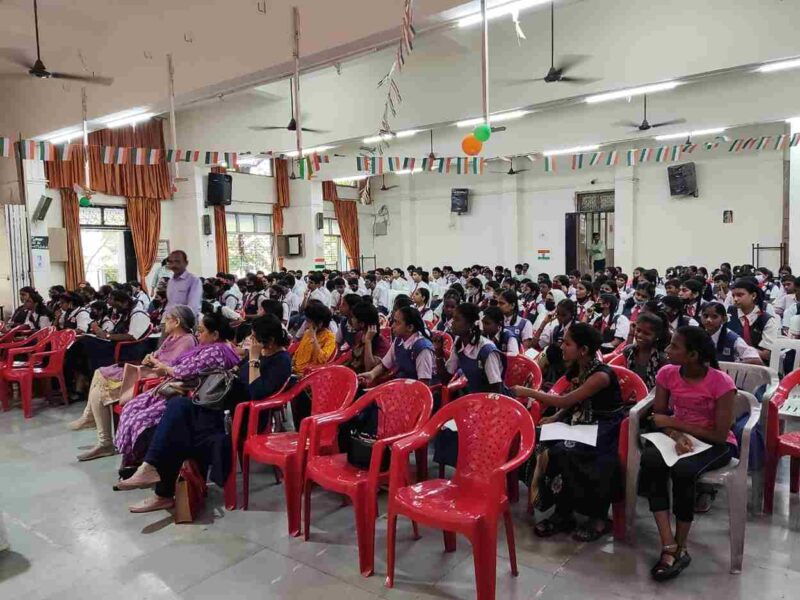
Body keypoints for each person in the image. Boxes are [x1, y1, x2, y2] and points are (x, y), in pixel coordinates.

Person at [116, 314, 293, 512]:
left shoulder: (281, 360)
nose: (249, 341)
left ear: (267, 341)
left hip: (240, 419)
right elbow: (234, 372)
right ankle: (150, 470)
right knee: (177, 408)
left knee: (176, 427)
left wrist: (253, 359)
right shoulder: (261, 354)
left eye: (253, 337)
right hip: (217, 409)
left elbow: (256, 393)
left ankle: (159, 487)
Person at [637, 326, 737, 581]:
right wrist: (676, 436)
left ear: (692, 355)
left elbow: (718, 434)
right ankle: (668, 543)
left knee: (684, 471)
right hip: (679, 438)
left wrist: (678, 427)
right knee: (651, 461)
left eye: (674, 347)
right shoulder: (667, 373)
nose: (668, 350)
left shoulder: (721, 383)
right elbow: (659, 418)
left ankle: (681, 546)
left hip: (716, 443)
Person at [513, 323, 624, 541]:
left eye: (567, 343)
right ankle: (562, 511)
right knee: (537, 439)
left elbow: (565, 399)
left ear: (583, 350)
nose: (562, 346)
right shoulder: (577, 367)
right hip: (580, 423)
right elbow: (573, 402)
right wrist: (556, 417)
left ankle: (596, 516)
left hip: (603, 428)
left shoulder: (600, 375)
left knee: (565, 451)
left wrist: (527, 391)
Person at [114, 311, 241, 472]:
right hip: (176, 386)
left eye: (201, 331)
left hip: (189, 396)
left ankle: (146, 464)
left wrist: (163, 367)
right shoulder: (205, 346)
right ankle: (136, 461)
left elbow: (184, 371)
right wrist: (159, 364)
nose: (197, 334)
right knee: (131, 408)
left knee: (140, 418)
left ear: (215, 334)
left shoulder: (215, 350)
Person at [68, 305, 198, 461]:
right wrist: (150, 358)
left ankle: (103, 441)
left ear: (177, 322)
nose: (164, 322)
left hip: (156, 379)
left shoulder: (187, 341)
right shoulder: (172, 338)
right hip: (150, 370)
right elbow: (157, 355)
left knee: (99, 390)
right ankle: (92, 421)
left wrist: (153, 361)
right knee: (100, 372)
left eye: (168, 319)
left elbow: (170, 368)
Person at [436, 302, 505, 394]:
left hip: (494, 402)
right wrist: (439, 353)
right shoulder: (459, 344)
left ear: (470, 325)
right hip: (474, 399)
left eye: (456, 319)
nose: (451, 323)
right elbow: (445, 379)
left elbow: (496, 391)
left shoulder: (486, 350)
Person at [358, 305, 434, 386]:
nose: (392, 326)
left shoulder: (422, 349)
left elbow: (424, 383)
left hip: (416, 391)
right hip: (401, 386)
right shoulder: (399, 340)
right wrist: (372, 374)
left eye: (397, 322)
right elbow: (384, 365)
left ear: (410, 327)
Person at [726, 278, 778, 364]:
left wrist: (740, 348)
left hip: (757, 366)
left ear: (753, 296)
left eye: (740, 295)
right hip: (731, 361)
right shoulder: (729, 313)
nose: (735, 299)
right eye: (733, 295)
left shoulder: (767, 320)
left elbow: (766, 354)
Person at [622, 312, 669, 390]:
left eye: (646, 334)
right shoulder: (628, 351)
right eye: (638, 330)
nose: (640, 335)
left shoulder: (662, 358)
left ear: (657, 336)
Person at [291, 301, 337, 376]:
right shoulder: (307, 332)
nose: (306, 324)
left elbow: (322, 360)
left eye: (309, 321)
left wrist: (313, 337)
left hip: (309, 375)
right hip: (295, 371)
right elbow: (298, 352)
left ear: (320, 324)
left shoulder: (330, 338)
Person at [343, 302, 391, 373]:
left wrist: (368, 341)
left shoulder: (382, 344)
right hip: (352, 372)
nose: (351, 320)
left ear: (362, 323)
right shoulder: (359, 335)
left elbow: (369, 369)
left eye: (353, 317)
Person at [164, 250, 202, 316]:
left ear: (186, 263)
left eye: (177, 262)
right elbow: (170, 304)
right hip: (171, 322)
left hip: (187, 323)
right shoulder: (170, 282)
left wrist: (178, 322)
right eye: (171, 262)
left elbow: (193, 309)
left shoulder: (194, 281)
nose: (174, 265)